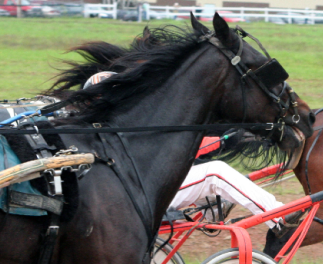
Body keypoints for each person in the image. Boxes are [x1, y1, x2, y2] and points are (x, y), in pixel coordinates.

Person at [85, 72, 289, 230]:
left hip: (124, 196)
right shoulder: (120, 128)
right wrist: (223, 142)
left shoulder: (96, 129)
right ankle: (279, 218)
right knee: (215, 173)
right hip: (138, 198)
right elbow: (174, 151)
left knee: (205, 181)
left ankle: (210, 213)